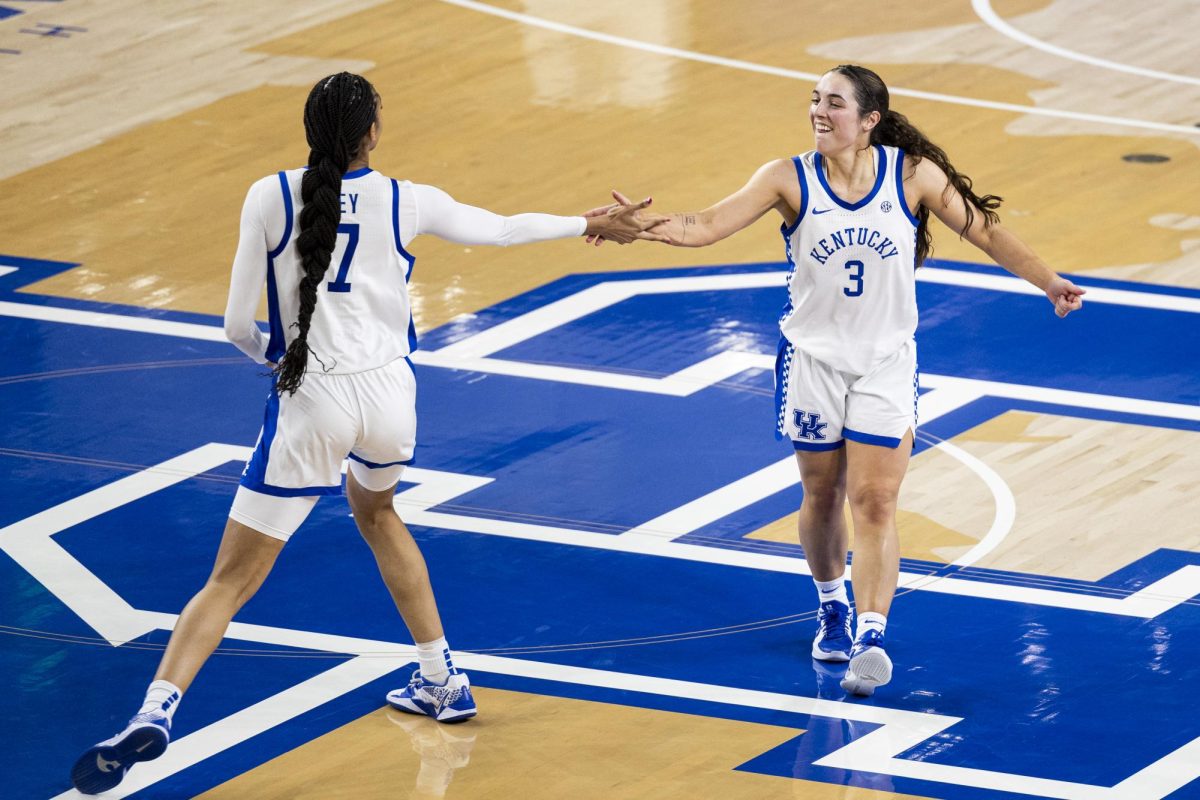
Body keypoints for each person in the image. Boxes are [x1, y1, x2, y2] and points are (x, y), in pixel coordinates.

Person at [69, 71, 662, 795]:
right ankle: (442, 675)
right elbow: (504, 229)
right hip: (390, 399)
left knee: (229, 581)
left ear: (310, 129)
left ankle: (157, 711)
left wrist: (278, 359)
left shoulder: (268, 195)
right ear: (372, 134)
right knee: (378, 513)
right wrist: (593, 223)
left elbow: (233, 328)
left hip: (313, 398)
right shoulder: (407, 199)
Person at [601, 64, 1084, 696]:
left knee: (877, 501)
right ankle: (832, 605)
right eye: (814, 101)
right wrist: (640, 228)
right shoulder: (786, 177)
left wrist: (1048, 282)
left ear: (869, 121)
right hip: (813, 362)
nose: (818, 113)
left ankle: (873, 636)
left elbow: (986, 232)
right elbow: (707, 225)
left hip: (886, 362)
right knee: (822, 494)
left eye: (834, 104)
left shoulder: (912, 176)